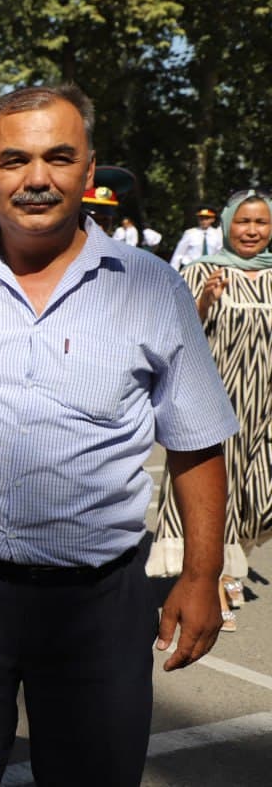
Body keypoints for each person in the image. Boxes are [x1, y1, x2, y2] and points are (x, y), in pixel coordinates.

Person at [0, 84, 236, 787]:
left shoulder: (152, 287)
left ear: (88, 167)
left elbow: (197, 439)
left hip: (99, 601)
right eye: (14, 159)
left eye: (58, 157)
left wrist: (201, 575)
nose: (37, 178)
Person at [148, 189, 272, 632]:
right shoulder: (200, 271)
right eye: (243, 221)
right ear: (226, 224)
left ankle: (234, 560)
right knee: (217, 499)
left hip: (265, 409)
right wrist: (203, 302)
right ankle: (216, 584)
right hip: (215, 406)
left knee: (259, 501)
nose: (252, 230)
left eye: (261, 222)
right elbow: (171, 334)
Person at [171, 205, 224, 269]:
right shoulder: (190, 233)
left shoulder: (218, 235)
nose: (204, 221)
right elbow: (178, 254)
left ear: (213, 219)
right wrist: (173, 270)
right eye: (201, 218)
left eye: (207, 218)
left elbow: (219, 253)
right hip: (191, 267)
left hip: (209, 268)